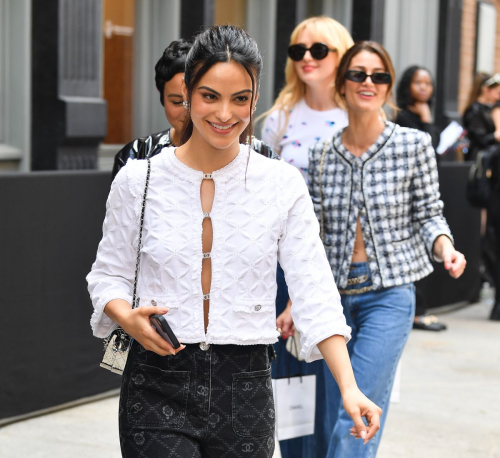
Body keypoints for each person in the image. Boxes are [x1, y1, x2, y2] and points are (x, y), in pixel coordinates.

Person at [87, 25, 381, 458]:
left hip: (245, 389)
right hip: (155, 383)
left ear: (255, 98)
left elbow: (314, 287)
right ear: (186, 93)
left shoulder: (281, 183)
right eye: (210, 96)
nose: (225, 113)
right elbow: (107, 274)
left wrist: (349, 386)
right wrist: (125, 318)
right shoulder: (139, 179)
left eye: (239, 98)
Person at [305, 41, 466, 457]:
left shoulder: (413, 145)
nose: (368, 82)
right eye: (358, 74)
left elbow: (430, 213)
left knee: (354, 419)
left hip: (389, 297)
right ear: (342, 83)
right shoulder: (322, 153)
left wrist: (445, 246)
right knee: (327, 421)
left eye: (379, 76)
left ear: (389, 86)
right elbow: (313, 234)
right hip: (332, 301)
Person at [260, 16, 354, 458]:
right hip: (282, 265)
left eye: (320, 50)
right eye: (299, 51)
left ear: (341, 56)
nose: (307, 59)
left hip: (338, 263)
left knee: (335, 384)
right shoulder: (278, 119)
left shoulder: (356, 114)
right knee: (290, 377)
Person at [112, 39, 277, 181]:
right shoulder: (137, 157)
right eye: (177, 101)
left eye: (239, 98)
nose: (188, 109)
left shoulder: (265, 160)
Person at [395, 66, 447, 332]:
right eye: (418, 82)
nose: (424, 87)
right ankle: (416, 314)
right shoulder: (401, 117)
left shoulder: (427, 114)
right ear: (407, 86)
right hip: (406, 196)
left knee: (427, 252)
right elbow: (431, 150)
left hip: (426, 193)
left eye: (428, 82)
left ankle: (420, 310)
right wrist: (426, 123)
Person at [462, 72, 500, 162]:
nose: (499, 97)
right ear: (486, 89)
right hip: (478, 159)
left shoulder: (489, 109)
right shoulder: (474, 111)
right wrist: (495, 136)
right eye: (497, 92)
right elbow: (479, 139)